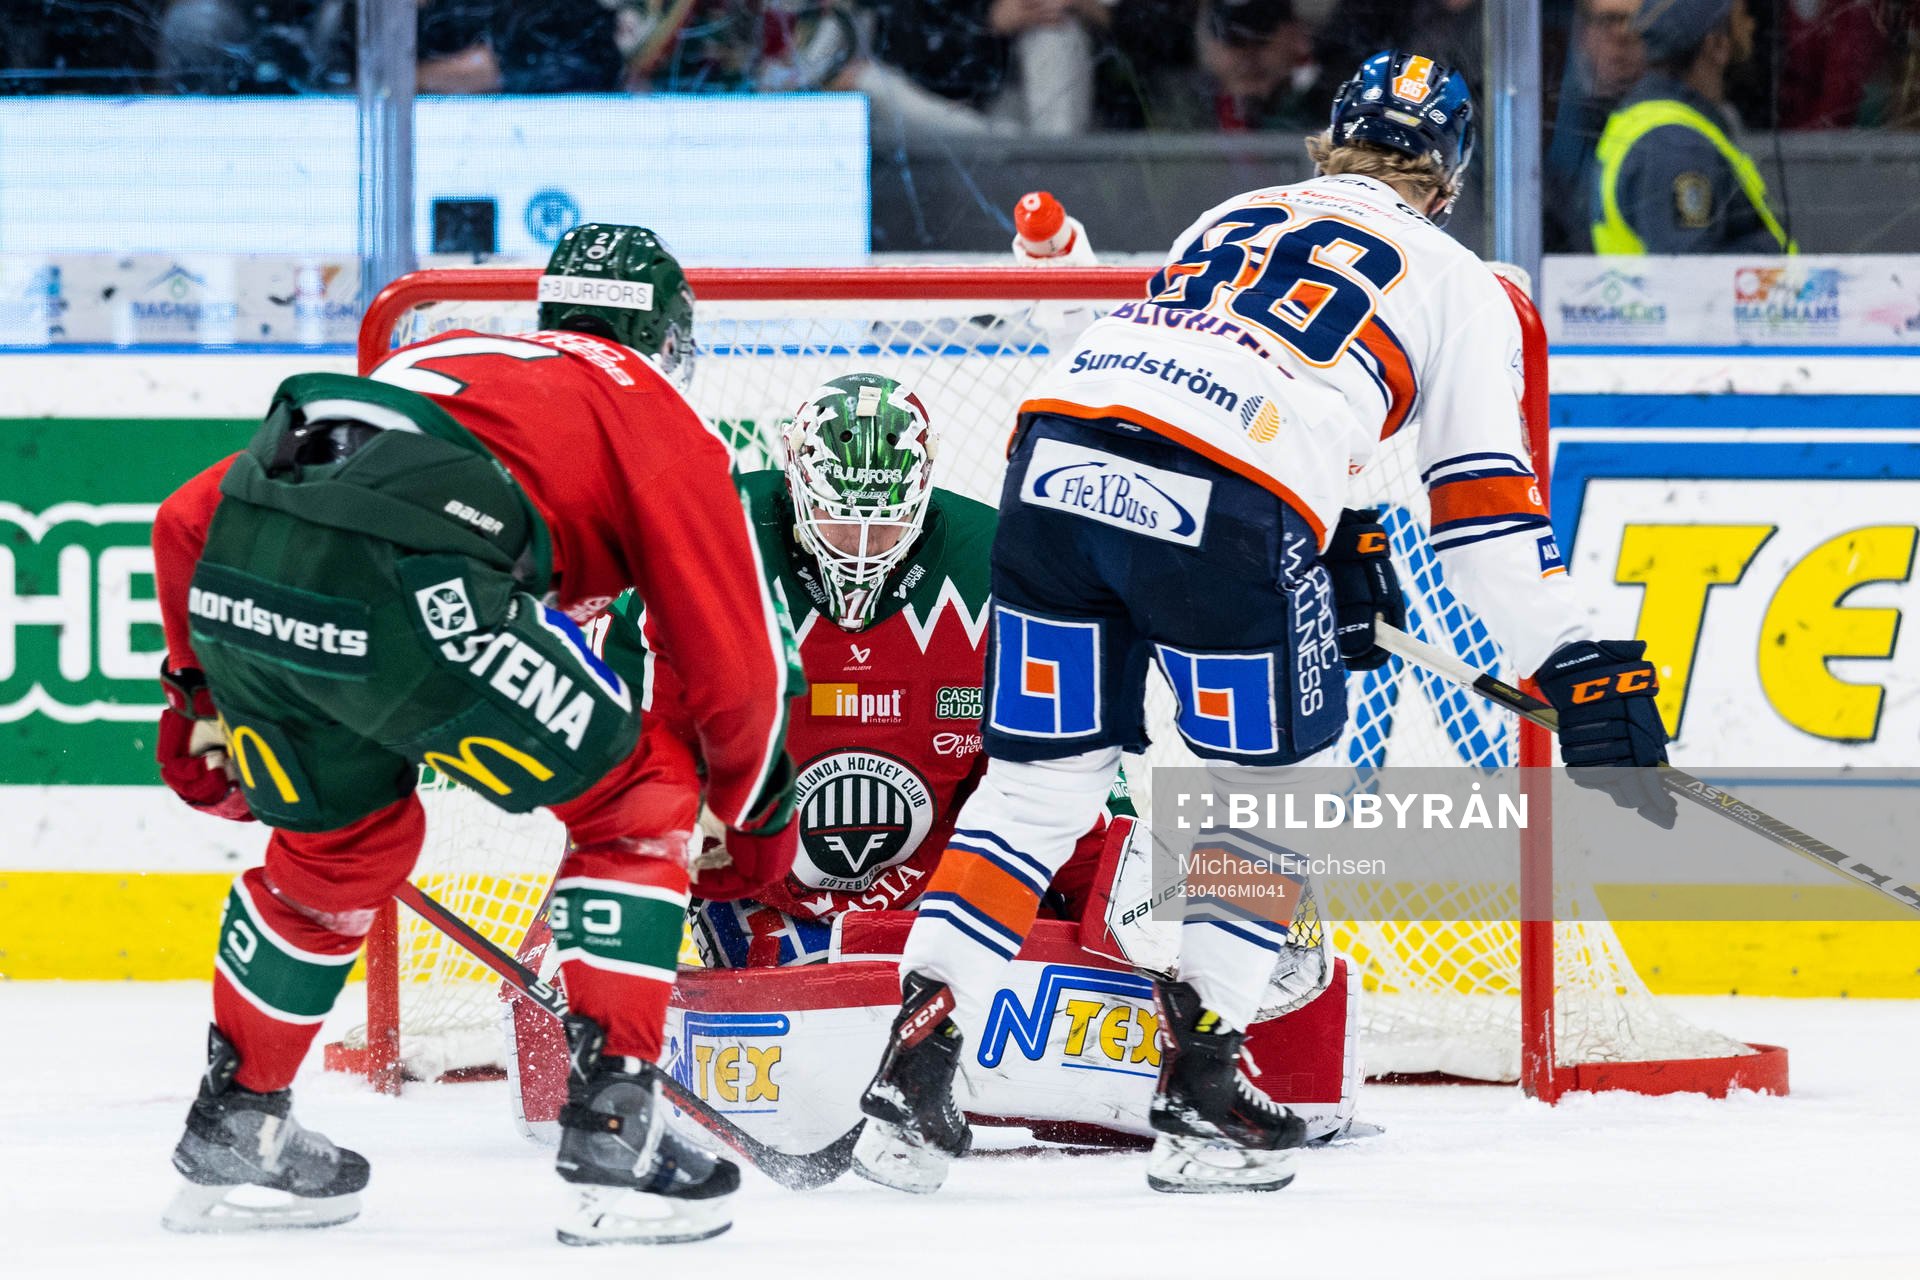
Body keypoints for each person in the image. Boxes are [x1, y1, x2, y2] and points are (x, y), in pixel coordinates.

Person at [850, 49, 1677, 1197]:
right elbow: (1484, 521)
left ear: (1329, 137)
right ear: (1451, 176)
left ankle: (912, 1068)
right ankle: (1200, 1087)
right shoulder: (1460, 278)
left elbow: (1242, 363)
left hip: (1053, 459)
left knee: (1038, 789)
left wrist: (1334, 544)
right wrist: (1583, 655)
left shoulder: (1236, 211)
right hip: (1221, 498)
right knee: (1270, 795)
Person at [148, 223, 800, 1245]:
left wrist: (197, 694)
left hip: (244, 572)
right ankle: (618, 1125)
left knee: (344, 844)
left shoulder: (443, 355)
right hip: (412, 575)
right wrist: (752, 810)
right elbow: (733, 656)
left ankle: (238, 1117)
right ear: (671, 339)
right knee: (636, 797)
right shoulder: (651, 407)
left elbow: (189, 516)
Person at [648, 373, 1124, 966]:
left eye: (888, 520)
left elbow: (1059, 783)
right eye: (837, 516)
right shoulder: (706, 542)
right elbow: (641, 759)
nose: (862, 545)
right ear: (796, 483)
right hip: (754, 886)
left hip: (943, 884)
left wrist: (1125, 910)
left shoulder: (1007, 575)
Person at [1590, 0, 1796, 254]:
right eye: (1742, 15)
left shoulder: (1663, 126)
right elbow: (1691, 278)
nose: (1751, 25)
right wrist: (1768, 250)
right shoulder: (1676, 146)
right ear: (1717, 45)